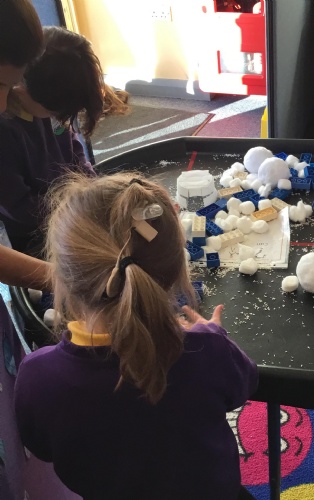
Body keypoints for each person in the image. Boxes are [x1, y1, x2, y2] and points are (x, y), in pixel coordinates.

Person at [14, 172, 259, 499]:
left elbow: (41, 447)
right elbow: (244, 385)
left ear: (61, 278)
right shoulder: (207, 349)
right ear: (177, 271)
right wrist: (213, 334)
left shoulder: (37, 376)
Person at [0, 26, 128, 254]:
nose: (60, 119)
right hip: (34, 234)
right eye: (55, 113)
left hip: (71, 209)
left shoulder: (47, 106)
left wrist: (92, 186)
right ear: (20, 90)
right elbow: (19, 208)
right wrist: (76, 208)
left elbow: (74, 151)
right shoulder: (7, 132)